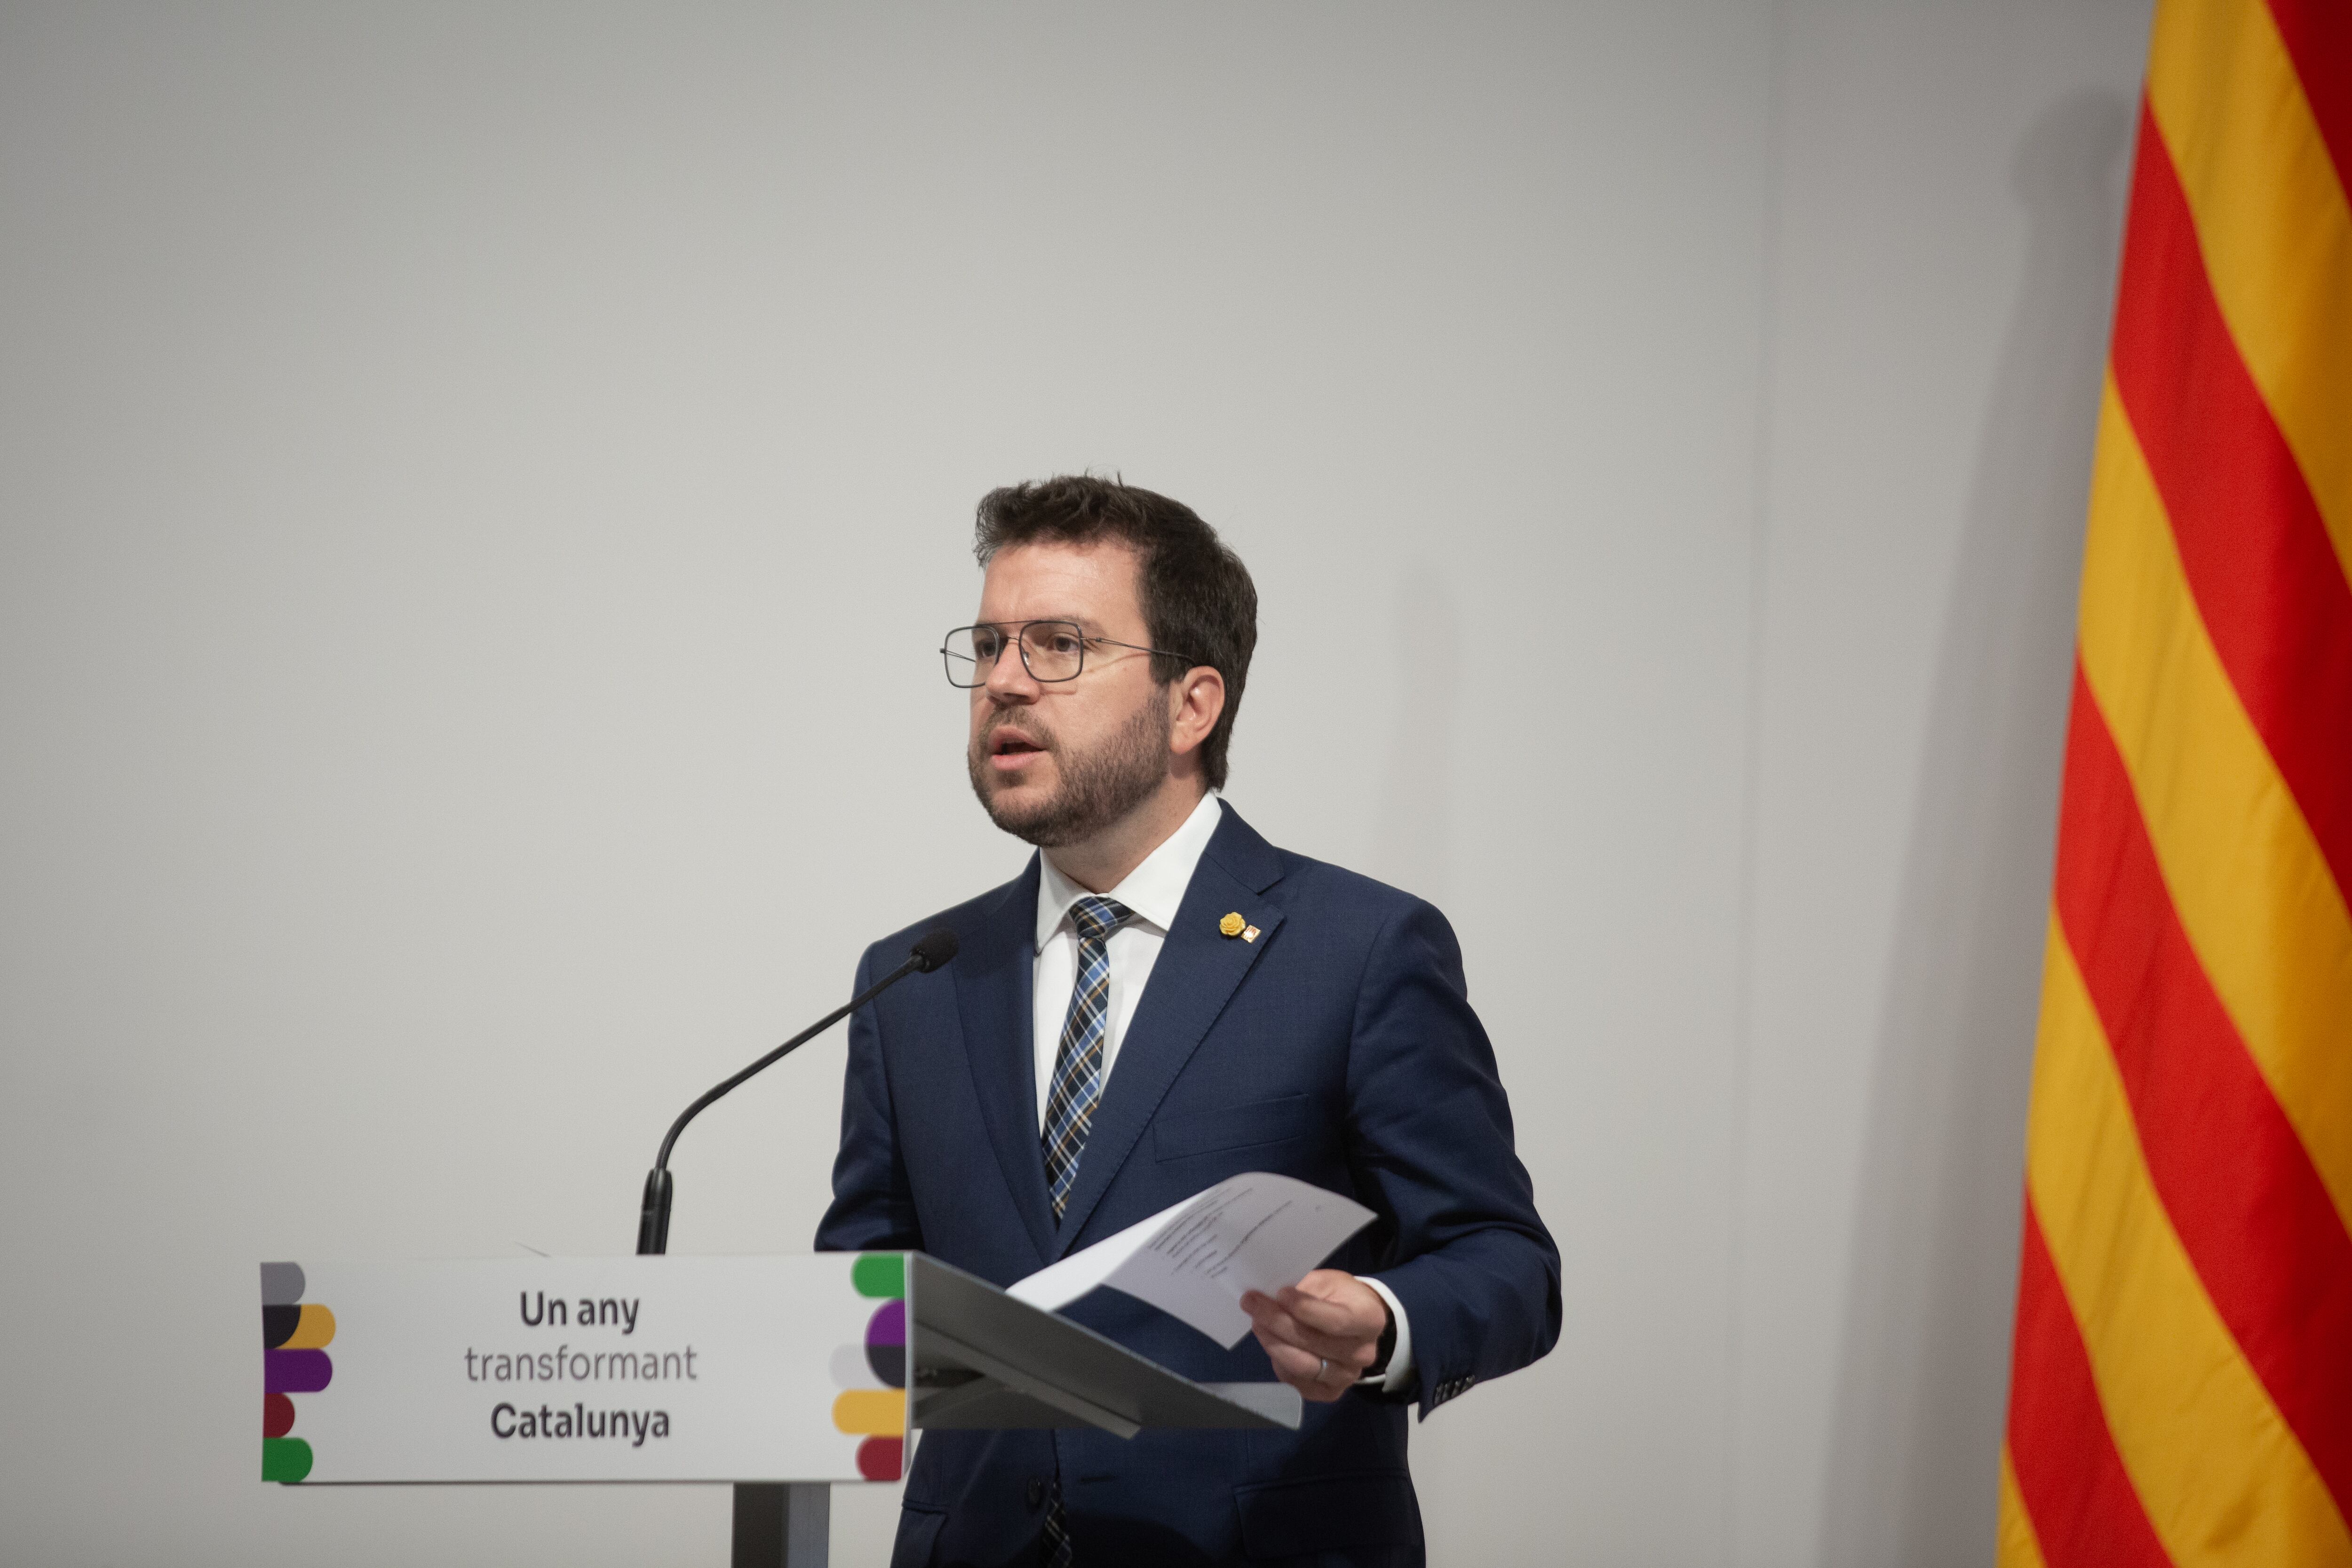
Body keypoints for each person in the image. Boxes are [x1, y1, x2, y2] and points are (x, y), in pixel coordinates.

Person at [817, 476, 1559, 1567]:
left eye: (1058, 644)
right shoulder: (915, 978)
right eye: (987, 645)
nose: (1003, 681)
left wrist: (1383, 1320)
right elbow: (858, 1297)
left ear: (1191, 704)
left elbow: (1505, 1261)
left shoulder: (1356, 949)